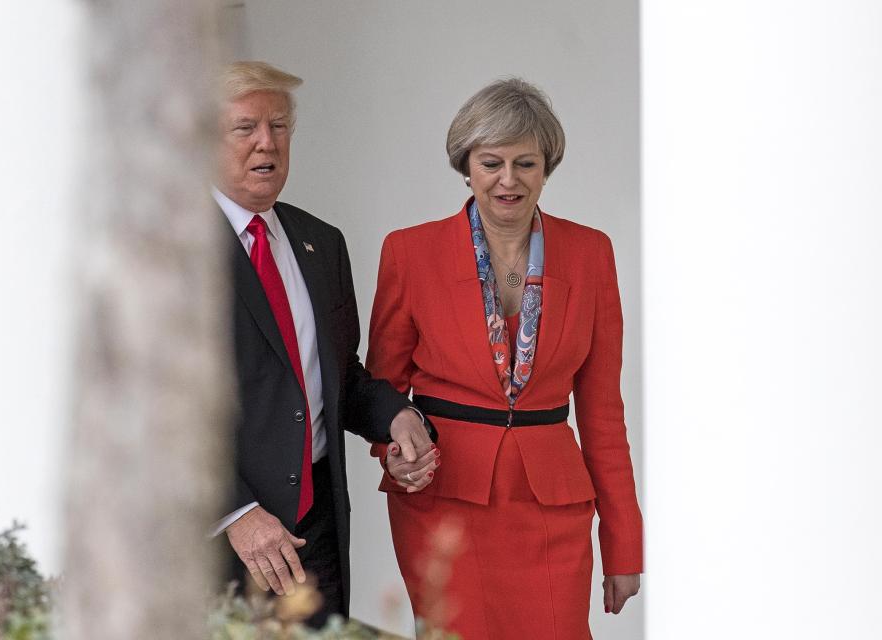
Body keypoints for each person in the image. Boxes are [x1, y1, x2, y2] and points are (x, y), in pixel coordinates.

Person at [367, 78, 643, 638]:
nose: (509, 180)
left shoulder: (591, 253)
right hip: (444, 501)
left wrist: (623, 543)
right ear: (466, 166)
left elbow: (603, 415)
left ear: (547, 168)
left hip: (553, 508)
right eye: (491, 163)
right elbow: (378, 390)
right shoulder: (409, 251)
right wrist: (392, 454)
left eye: (527, 163)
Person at [211, 61, 438, 628]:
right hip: (224, 543)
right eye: (246, 128)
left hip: (317, 530)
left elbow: (340, 374)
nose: (268, 142)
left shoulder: (321, 242)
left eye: (280, 126)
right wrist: (235, 512)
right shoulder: (172, 254)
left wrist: (397, 416)